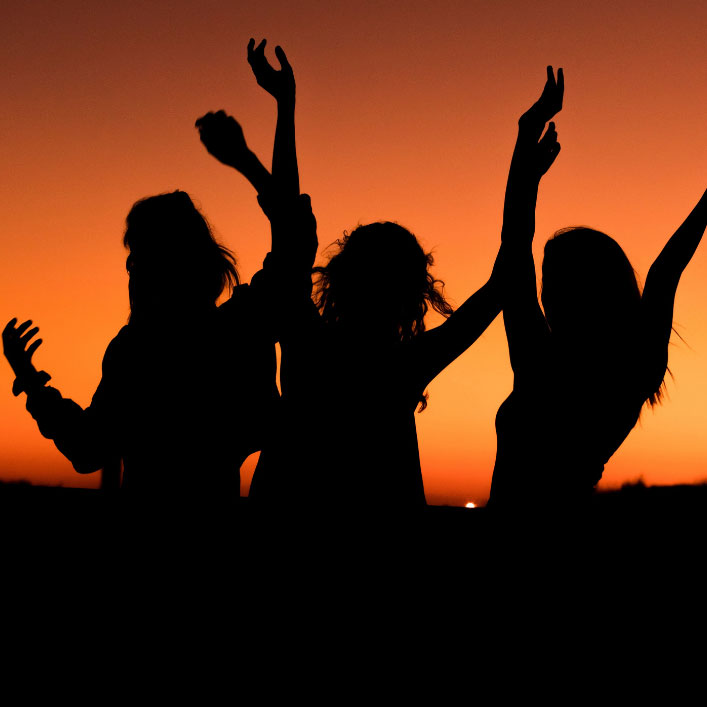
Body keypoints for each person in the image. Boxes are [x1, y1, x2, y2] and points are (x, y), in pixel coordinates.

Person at [197, 39, 504, 510]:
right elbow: (502, 282)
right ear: (413, 294)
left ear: (341, 276)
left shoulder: (307, 339)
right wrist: (524, 163)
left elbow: (291, 232)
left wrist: (280, 114)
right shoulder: (406, 364)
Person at [489, 66, 707, 508]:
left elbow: (514, 244)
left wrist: (525, 149)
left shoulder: (541, 361)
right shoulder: (632, 369)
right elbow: (665, 272)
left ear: (585, 288)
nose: (544, 293)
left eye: (554, 280)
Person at [2, 190, 278, 506]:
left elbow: (88, 448)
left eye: (137, 255)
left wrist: (31, 382)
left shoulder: (137, 348)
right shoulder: (236, 332)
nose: (131, 267)